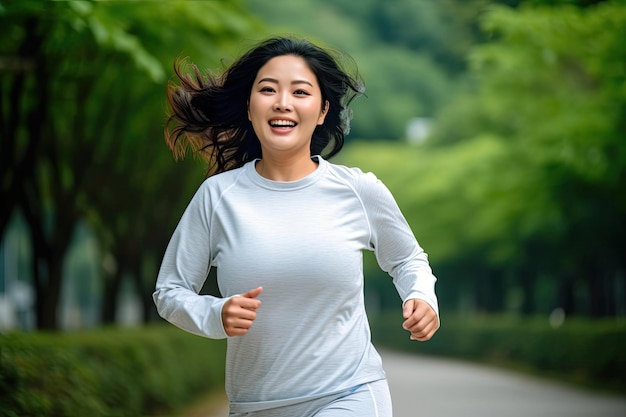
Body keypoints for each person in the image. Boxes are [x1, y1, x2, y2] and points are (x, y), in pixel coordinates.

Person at [153, 36, 439, 417]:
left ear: (321, 111)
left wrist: (421, 296)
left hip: (349, 393)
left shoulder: (358, 190)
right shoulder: (217, 197)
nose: (282, 102)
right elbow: (170, 290)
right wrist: (214, 314)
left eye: (300, 92)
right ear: (250, 107)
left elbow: (407, 259)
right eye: (267, 89)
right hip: (255, 405)